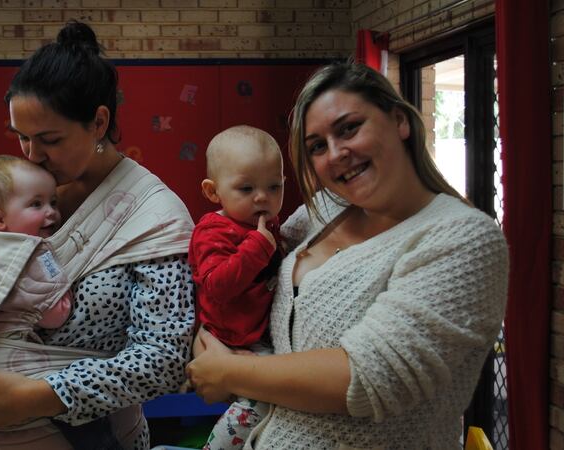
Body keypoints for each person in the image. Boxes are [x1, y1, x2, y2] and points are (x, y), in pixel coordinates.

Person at [0, 20, 196, 450]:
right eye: (21, 137)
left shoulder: (153, 216)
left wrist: (41, 397)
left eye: (49, 139)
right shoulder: (20, 192)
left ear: (98, 122)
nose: (32, 155)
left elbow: (166, 358)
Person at [186, 62, 509, 449]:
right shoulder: (322, 209)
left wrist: (231, 371)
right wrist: (210, 344)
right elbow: (246, 286)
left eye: (349, 128)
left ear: (399, 121)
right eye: (317, 146)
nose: (336, 153)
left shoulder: (461, 237)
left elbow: (373, 379)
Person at [0, 154, 121, 450]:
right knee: (73, 400)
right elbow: (55, 316)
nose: (52, 213)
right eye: (36, 204)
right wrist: (65, 286)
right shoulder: (32, 254)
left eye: (53, 202)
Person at [187, 125, 283, 449]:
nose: (263, 197)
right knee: (257, 404)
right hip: (230, 338)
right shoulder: (212, 231)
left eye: (274, 186)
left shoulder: (264, 224)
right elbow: (216, 287)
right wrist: (257, 248)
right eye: (246, 188)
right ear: (213, 193)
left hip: (257, 332)